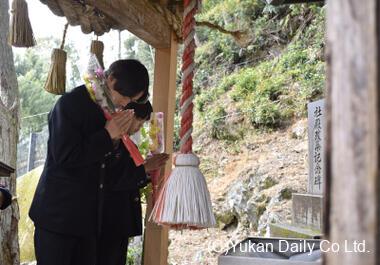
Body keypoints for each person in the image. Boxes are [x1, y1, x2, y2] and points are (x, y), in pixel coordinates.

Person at [29, 59, 158, 265]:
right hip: (59, 218)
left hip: (90, 221)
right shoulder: (71, 104)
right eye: (124, 96)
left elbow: (110, 168)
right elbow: (65, 157)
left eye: (131, 99)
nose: (125, 103)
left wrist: (116, 143)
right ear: (110, 78)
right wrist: (108, 135)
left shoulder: (113, 110)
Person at [97, 100, 169, 265]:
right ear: (128, 115)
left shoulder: (127, 142)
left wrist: (150, 174)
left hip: (119, 221)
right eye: (140, 121)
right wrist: (144, 169)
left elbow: (129, 178)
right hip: (109, 219)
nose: (140, 127)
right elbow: (112, 178)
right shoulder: (112, 142)